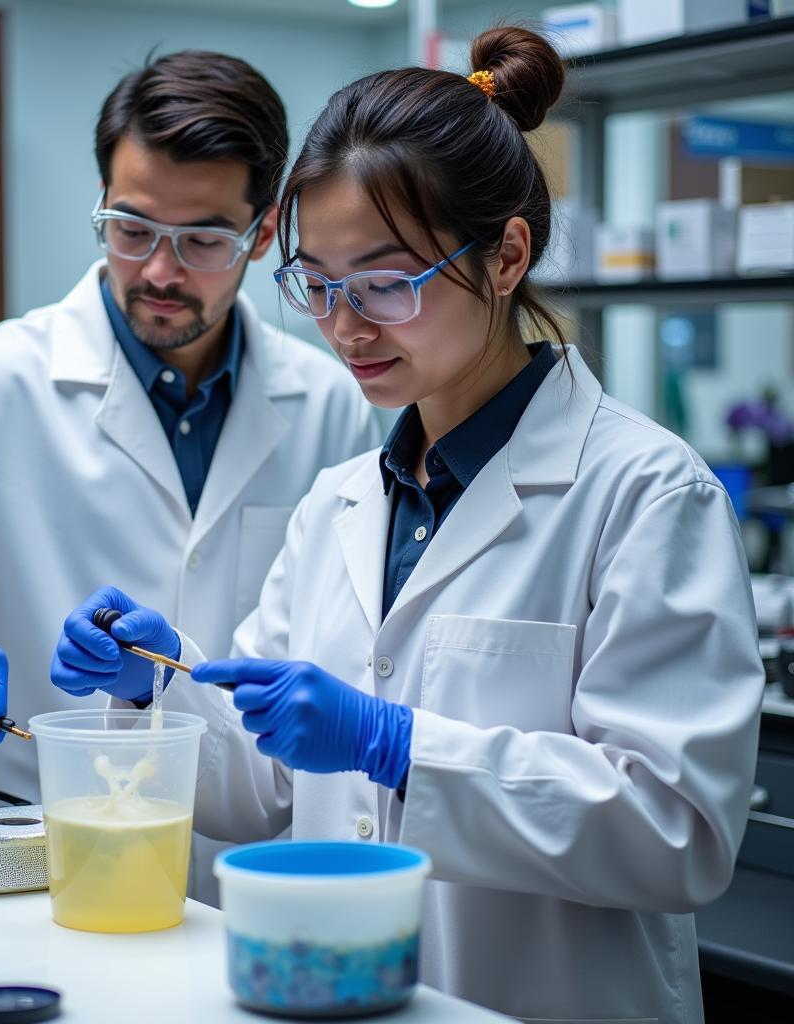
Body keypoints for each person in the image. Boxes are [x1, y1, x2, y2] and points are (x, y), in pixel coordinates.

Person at [51, 27, 764, 1024]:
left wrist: (394, 743)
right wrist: (164, 690)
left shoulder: (642, 492)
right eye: (319, 285)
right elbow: (263, 786)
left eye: (386, 282)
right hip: (344, 993)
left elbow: (674, 831)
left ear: (507, 253)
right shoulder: (342, 499)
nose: (346, 326)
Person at [0, 53, 377, 819]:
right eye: (132, 228)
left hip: (251, 862)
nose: (160, 270)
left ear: (260, 239)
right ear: (102, 203)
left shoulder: (330, 403)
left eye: (204, 240)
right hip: (39, 857)